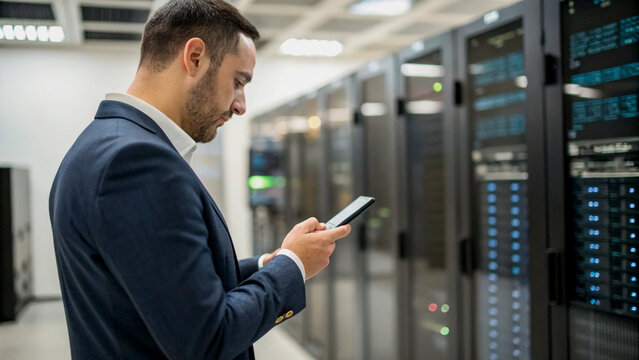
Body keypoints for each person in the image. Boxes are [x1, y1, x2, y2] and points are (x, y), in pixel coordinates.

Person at [48, 0, 351, 359]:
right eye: (238, 82)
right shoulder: (137, 163)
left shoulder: (105, 142)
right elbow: (206, 339)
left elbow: (162, 285)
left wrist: (269, 262)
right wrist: (294, 266)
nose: (241, 105)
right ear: (194, 57)